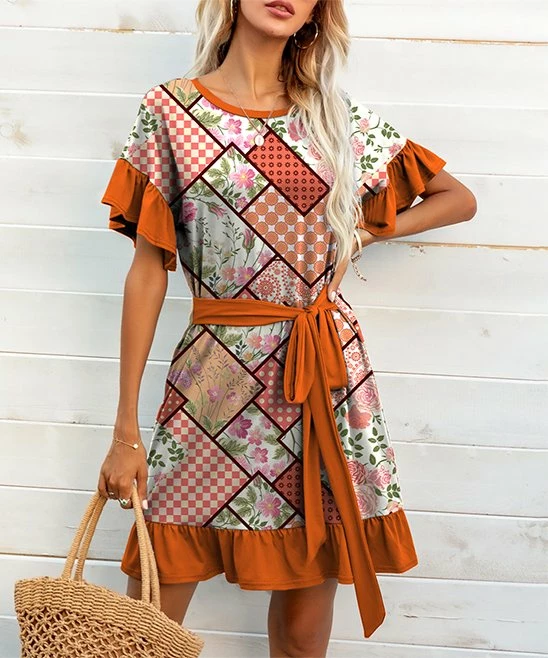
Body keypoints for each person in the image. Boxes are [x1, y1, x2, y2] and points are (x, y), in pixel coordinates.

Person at [97, 0, 477, 655]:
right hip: (216, 371)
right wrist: (126, 432)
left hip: (322, 372)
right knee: (151, 611)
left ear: (317, 13)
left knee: (304, 620)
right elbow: (148, 270)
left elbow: (457, 199)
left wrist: (360, 232)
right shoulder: (172, 111)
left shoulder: (334, 117)